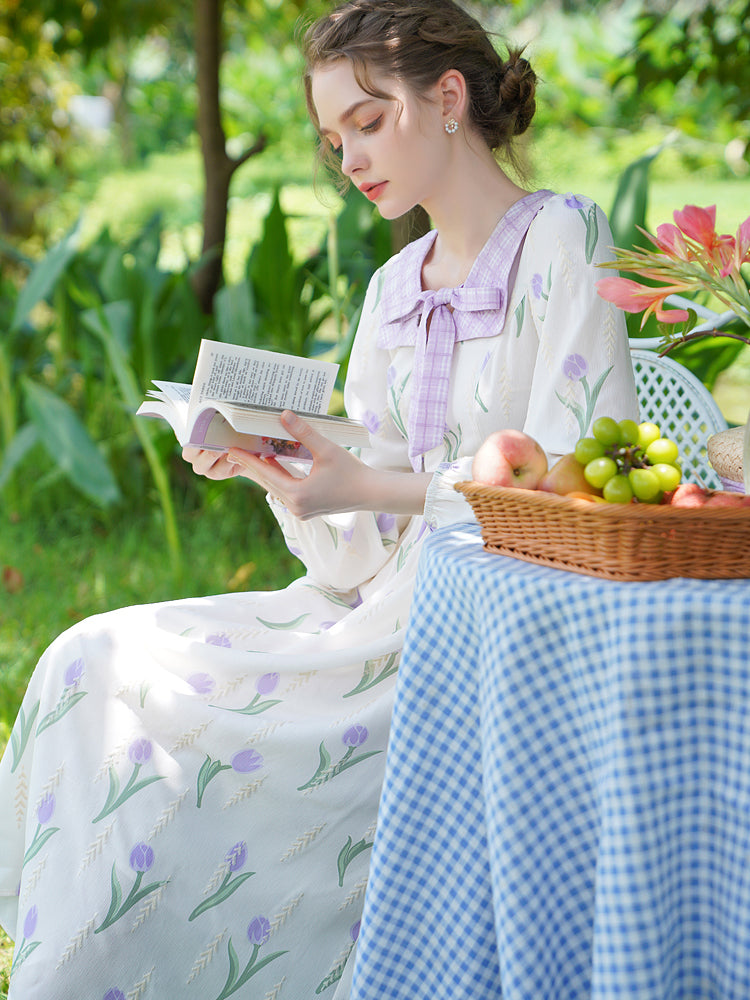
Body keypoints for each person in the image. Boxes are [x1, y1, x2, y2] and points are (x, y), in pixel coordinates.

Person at [0, 0, 639, 997]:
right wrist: (285, 476)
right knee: (91, 661)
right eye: (334, 137)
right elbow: (354, 555)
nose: (349, 158)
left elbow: (571, 493)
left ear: (448, 99)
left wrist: (367, 478)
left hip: (494, 630)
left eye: (368, 122)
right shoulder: (391, 288)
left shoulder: (565, 238)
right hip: (367, 617)